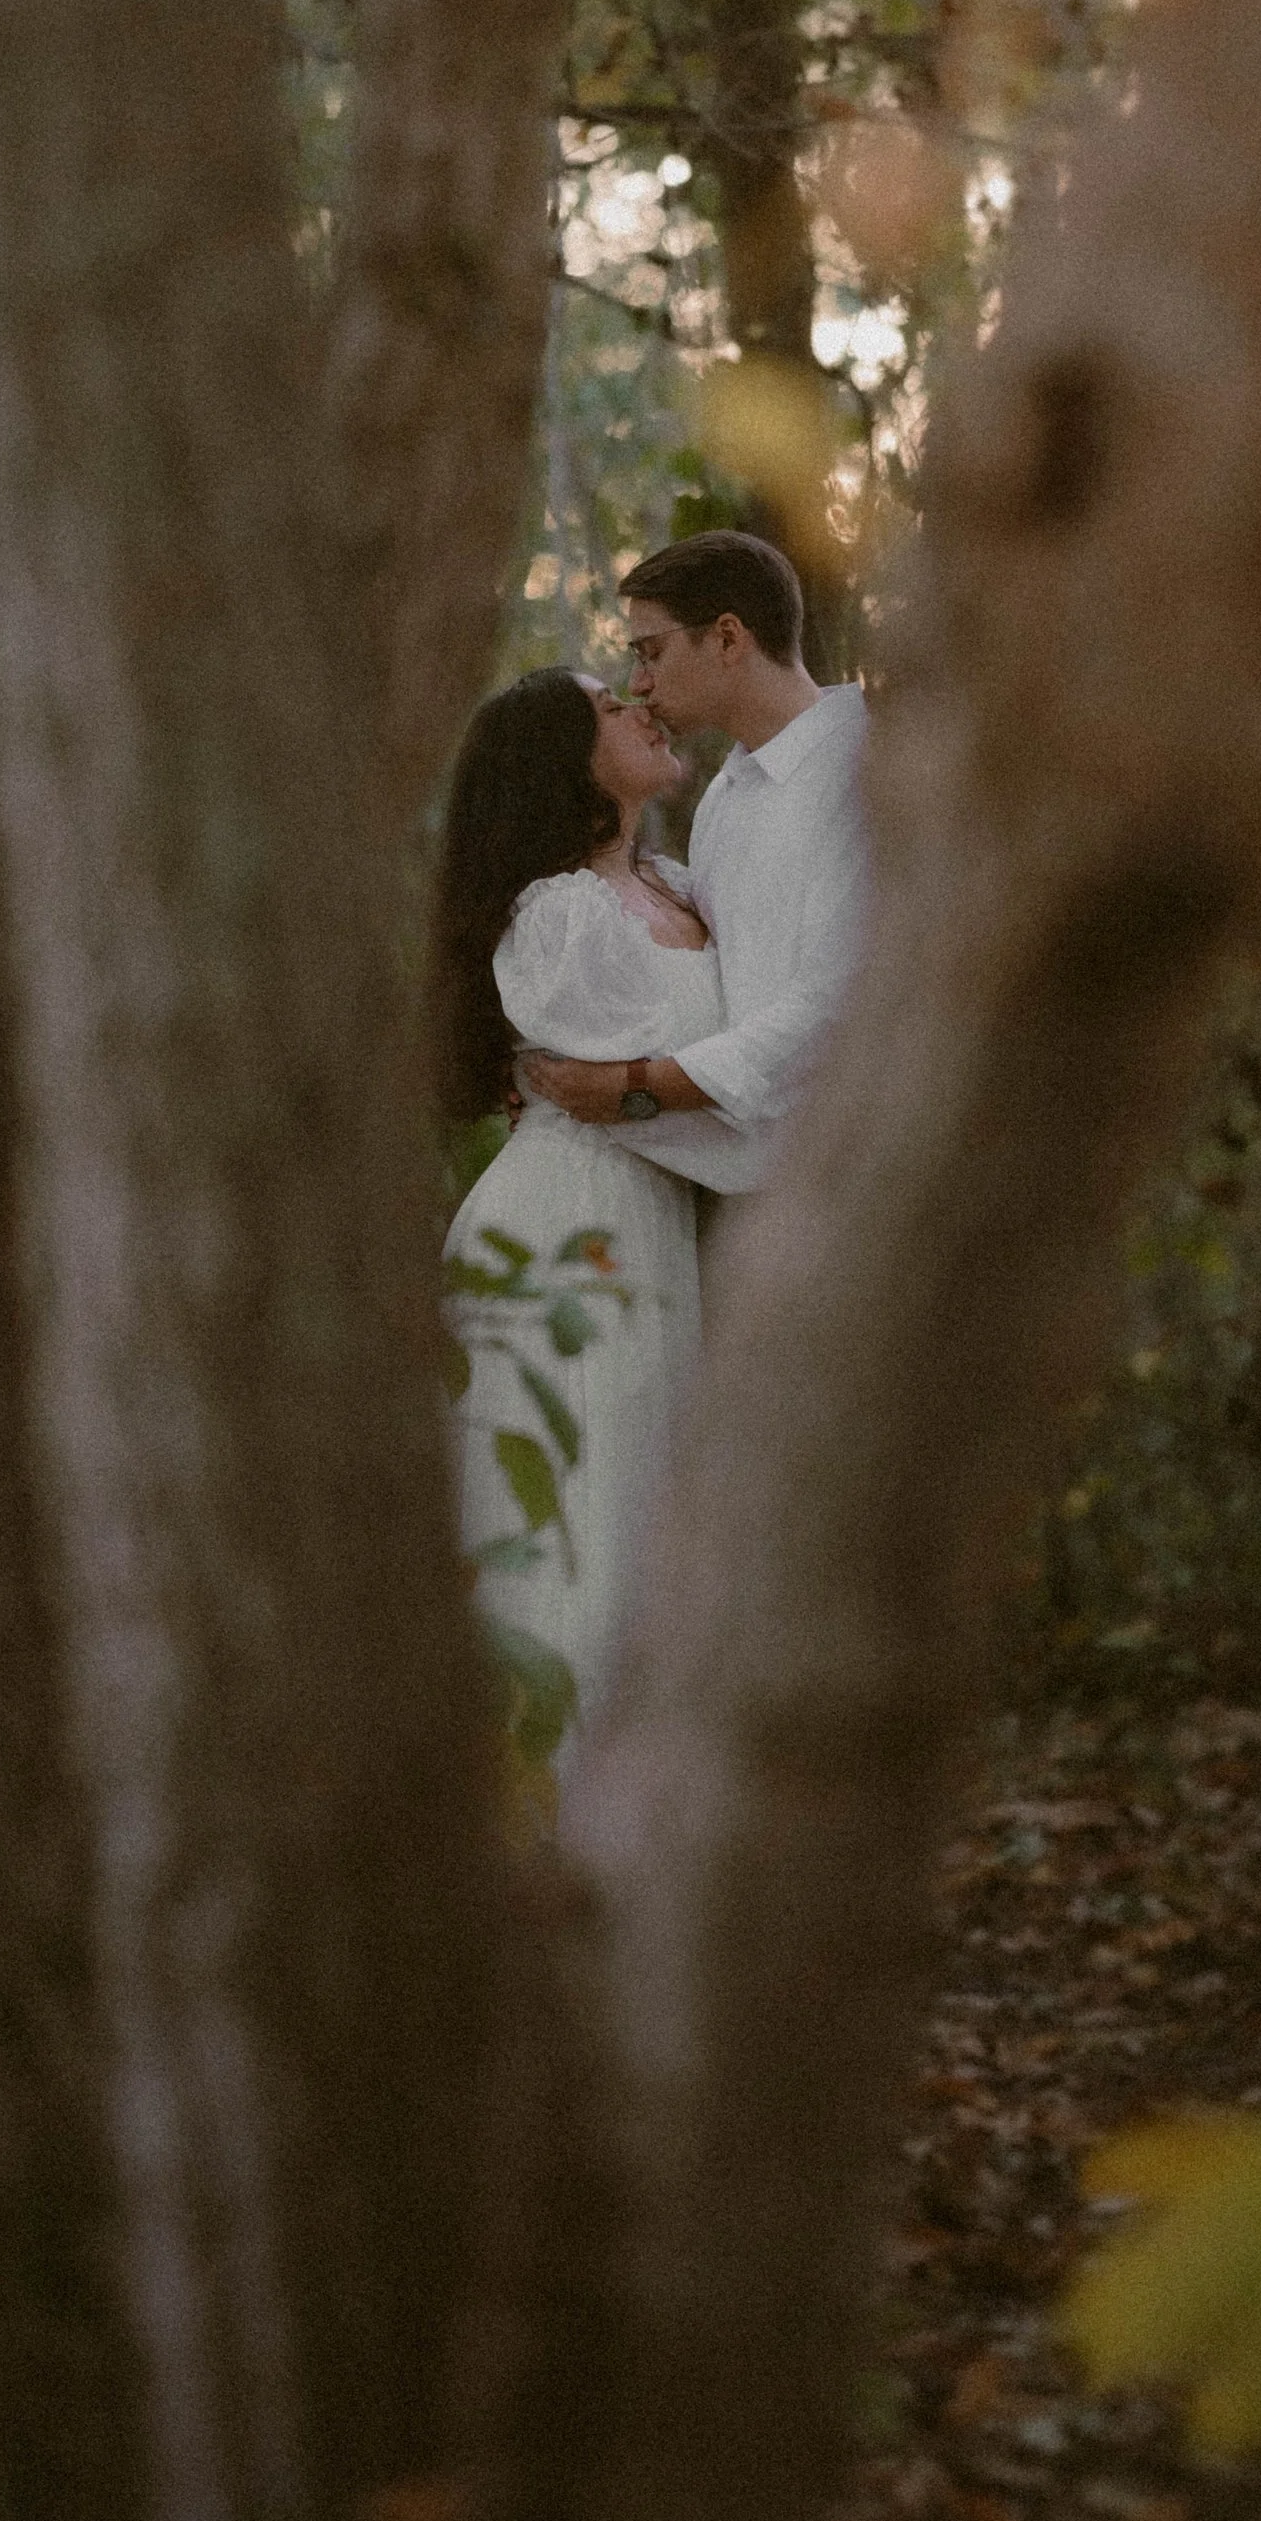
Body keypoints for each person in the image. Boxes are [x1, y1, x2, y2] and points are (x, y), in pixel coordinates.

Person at [431, 666, 753, 1733]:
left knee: (655, 1519)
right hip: (572, 1227)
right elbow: (646, 1103)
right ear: (563, 763)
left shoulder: (674, 883)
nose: (644, 707)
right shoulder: (559, 914)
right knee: (590, 1524)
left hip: (657, 1223)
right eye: (611, 707)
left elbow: (671, 1086)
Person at [515, 531, 867, 1221]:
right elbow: (689, 986)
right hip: (747, 1203)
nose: (639, 683)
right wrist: (544, 1069)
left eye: (651, 651)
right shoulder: (723, 803)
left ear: (728, 638)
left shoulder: (864, 771)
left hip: (861, 1195)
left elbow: (834, 1008)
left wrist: (633, 1087)